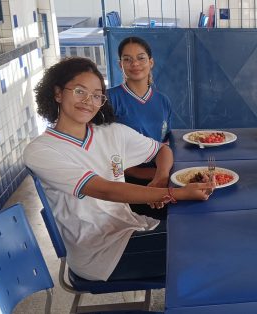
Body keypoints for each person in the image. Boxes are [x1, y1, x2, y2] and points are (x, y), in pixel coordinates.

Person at [24, 57, 213, 282]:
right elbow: (104, 190)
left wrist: (161, 178)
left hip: (130, 227)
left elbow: (162, 151)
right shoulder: (41, 150)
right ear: (57, 93)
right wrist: (174, 193)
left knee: (203, 230)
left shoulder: (111, 132)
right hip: (98, 253)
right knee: (204, 251)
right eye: (79, 91)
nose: (88, 101)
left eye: (96, 95)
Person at [107, 36, 173, 219]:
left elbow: (164, 145)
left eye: (141, 58)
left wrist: (162, 174)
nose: (135, 63)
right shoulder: (110, 99)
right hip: (126, 181)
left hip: (159, 174)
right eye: (127, 59)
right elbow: (107, 155)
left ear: (151, 62)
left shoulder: (163, 101)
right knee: (181, 208)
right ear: (120, 64)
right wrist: (155, 176)